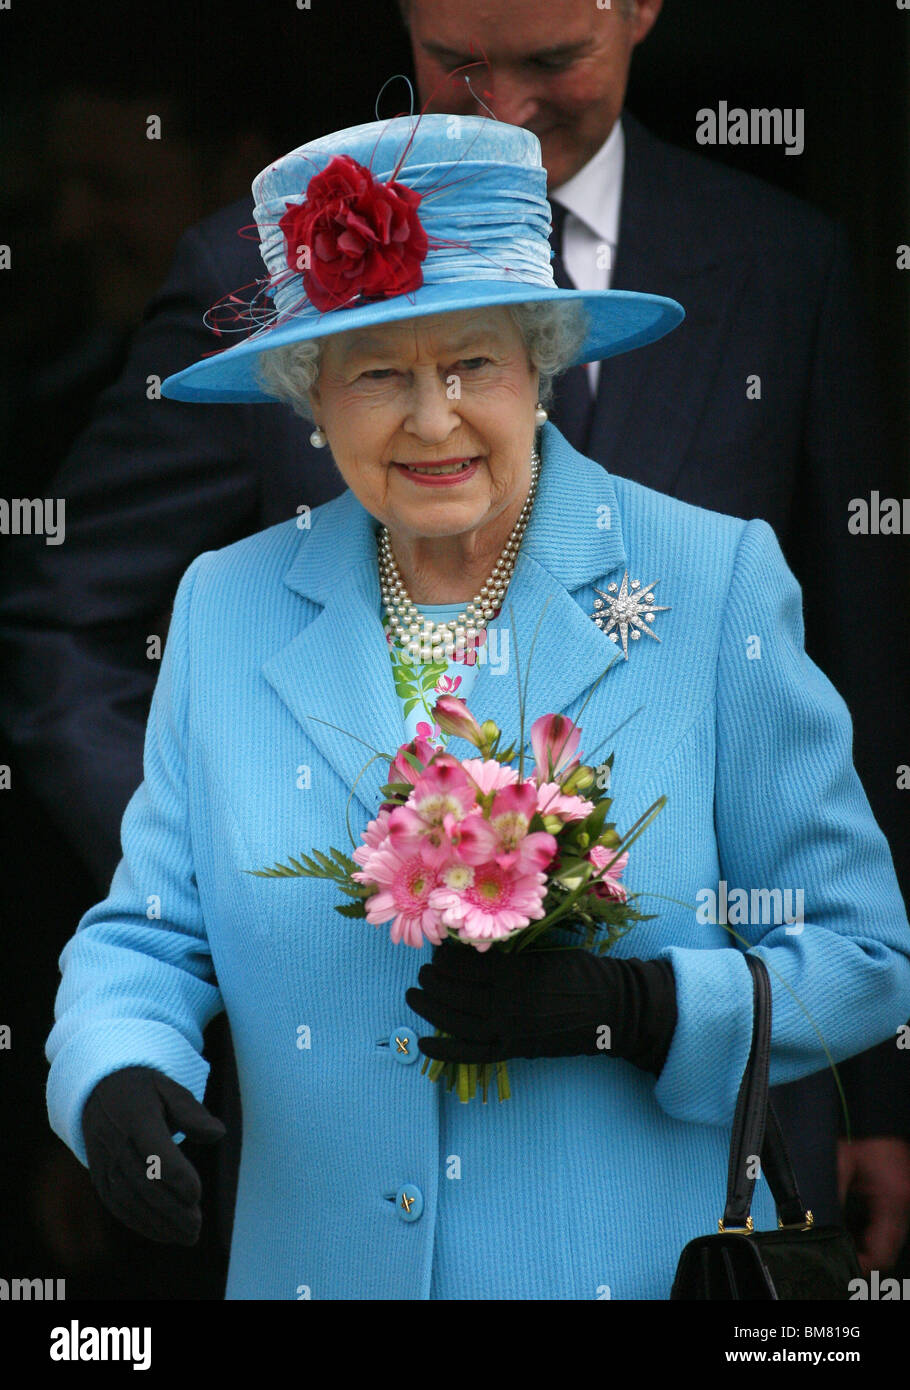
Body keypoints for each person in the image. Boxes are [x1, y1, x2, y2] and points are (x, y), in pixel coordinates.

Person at [7, 0, 908, 1268]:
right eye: (376, 372)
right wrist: (111, 1070)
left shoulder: (709, 584)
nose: (433, 421)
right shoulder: (227, 602)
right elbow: (149, 930)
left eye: (474, 363)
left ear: (540, 360)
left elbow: (863, 953)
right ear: (309, 399)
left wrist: (645, 1008)